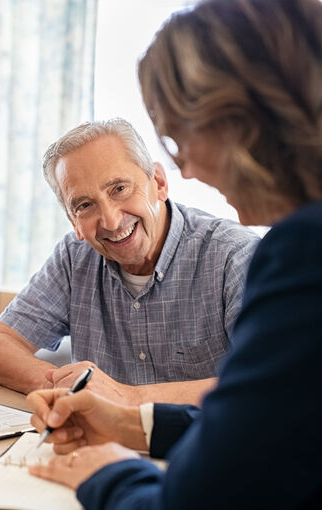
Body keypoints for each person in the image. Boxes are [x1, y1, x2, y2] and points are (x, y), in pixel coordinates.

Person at [27, 0, 322, 507]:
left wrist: (110, 473)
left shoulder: (300, 253)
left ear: (237, 119)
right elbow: (268, 425)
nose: (183, 166)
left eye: (177, 133)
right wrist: (133, 425)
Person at [0, 118, 259, 405]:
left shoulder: (235, 256)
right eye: (84, 205)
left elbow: (269, 382)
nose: (110, 220)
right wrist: (69, 389)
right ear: (74, 221)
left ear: (158, 183)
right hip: (101, 447)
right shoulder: (75, 257)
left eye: (119, 189)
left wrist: (124, 397)